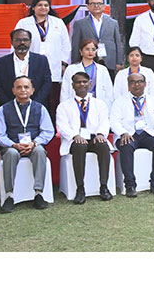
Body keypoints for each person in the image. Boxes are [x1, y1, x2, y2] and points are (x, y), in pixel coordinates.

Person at [0, 76, 56, 212]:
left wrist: (34, 143)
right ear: (13, 91)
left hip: (33, 145)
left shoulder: (40, 108)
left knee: (39, 151)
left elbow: (48, 131)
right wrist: (14, 144)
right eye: (19, 87)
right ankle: (9, 195)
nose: (23, 90)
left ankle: (38, 193)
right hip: (12, 146)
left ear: (32, 90)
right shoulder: (4, 110)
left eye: (26, 87)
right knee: (10, 153)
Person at [57, 69, 114, 204]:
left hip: (94, 137)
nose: (81, 85)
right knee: (79, 147)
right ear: (73, 85)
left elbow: (105, 121)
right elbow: (62, 126)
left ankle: (104, 186)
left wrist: (100, 134)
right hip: (75, 139)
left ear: (89, 84)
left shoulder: (99, 104)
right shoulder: (64, 106)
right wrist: (75, 135)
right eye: (78, 82)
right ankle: (80, 189)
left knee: (103, 146)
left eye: (84, 82)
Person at [112, 71, 154, 196]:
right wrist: (123, 133)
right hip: (128, 134)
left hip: (148, 133)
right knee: (126, 146)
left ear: (145, 84)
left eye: (139, 82)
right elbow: (114, 121)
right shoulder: (119, 101)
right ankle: (130, 185)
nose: (136, 85)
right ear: (128, 85)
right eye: (132, 82)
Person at [12, 0, 71, 109]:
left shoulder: (58, 23)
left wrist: (63, 63)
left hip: (53, 65)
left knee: (52, 99)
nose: (43, 8)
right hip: (30, 65)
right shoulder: (24, 23)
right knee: (33, 94)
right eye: (40, 5)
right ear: (33, 8)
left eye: (46, 5)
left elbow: (66, 45)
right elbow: (16, 43)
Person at [0, 27, 53, 108]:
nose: (22, 42)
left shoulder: (41, 60)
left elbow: (47, 83)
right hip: (9, 108)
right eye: (17, 40)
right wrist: (10, 105)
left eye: (25, 40)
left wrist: (34, 104)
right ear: (12, 42)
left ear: (30, 42)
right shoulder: (1, 62)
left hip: (36, 107)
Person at [70, 0, 123, 73]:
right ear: (87, 6)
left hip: (109, 61)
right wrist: (75, 63)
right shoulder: (80, 23)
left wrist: (119, 61)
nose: (96, 6)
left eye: (99, 3)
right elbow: (76, 44)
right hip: (87, 61)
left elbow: (117, 43)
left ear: (104, 6)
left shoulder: (113, 23)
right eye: (93, 3)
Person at [59, 39, 114, 111]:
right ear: (81, 51)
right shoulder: (71, 69)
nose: (90, 52)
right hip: (76, 105)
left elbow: (109, 92)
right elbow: (65, 92)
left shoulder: (102, 69)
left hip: (97, 105)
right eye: (87, 49)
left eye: (93, 49)